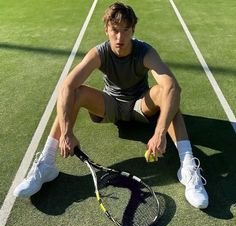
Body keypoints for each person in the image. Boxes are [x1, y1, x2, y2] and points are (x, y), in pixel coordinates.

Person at [14, 2, 208, 209]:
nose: (120, 37)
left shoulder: (145, 51)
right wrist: (67, 132)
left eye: (126, 30)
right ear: (106, 29)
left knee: (169, 94)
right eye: (115, 30)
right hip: (111, 106)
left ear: (133, 30)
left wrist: (159, 132)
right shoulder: (100, 52)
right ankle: (47, 164)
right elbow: (66, 87)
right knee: (74, 92)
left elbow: (172, 87)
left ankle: (187, 168)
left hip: (140, 106)